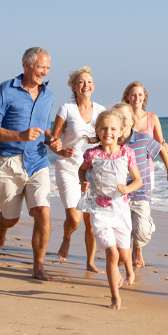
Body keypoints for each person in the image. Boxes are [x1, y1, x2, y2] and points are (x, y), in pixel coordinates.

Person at [0, 47, 61, 281]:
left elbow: (43, 130)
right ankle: (2, 224)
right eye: (41, 67)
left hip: (38, 161)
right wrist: (19, 136)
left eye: (48, 68)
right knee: (12, 218)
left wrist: (53, 141)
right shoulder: (4, 90)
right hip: (8, 160)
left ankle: (38, 266)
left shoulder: (48, 96)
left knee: (43, 211)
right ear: (26, 65)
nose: (44, 72)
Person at [77, 109, 142, 310]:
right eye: (104, 128)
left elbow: (138, 180)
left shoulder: (127, 153)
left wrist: (128, 188)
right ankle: (115, 298)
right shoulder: (92, 154)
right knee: (112, 254)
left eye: (113, 129)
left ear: (121, 131)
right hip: (100, 211)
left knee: (124, 256)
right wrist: (83, 182)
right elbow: (82, 170)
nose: (108, 132)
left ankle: (117, 272)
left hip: (121, 211)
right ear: (97, 130)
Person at [50, 66, 106, 272]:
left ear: (94, 86)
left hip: (92, 172)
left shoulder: (101, 111)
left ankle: (90, 262)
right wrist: (60, 150)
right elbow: (53, 141)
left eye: (89, 82)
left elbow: (110, 137)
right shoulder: (66, 109)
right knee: (75, 219)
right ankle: (67, 237)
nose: (85, 85)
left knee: (90, 221)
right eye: (81, 82)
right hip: (68, 168)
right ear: (73, 87)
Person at [122, 82, 168, 267]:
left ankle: (138, 249)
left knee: (142, 207)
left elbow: (161, 145)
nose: (136, 98)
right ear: (127, 97)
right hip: (124, 173)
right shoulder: (123, 118)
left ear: (144, 97)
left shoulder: (152, 118)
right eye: (133, 95)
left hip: (146, 171)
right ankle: (127, 250)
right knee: (126, 212)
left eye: (140, 95)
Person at [113, 102, 163, 268]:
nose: (122, 122)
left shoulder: (143, 138)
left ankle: (145, 228)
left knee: (141, 232)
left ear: (132, 121)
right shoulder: (113, 143)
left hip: (142, 191)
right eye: (118, 118)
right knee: (124, 229)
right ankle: (126, 259)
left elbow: (161, 150)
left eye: (124, 118)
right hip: (120, 194)